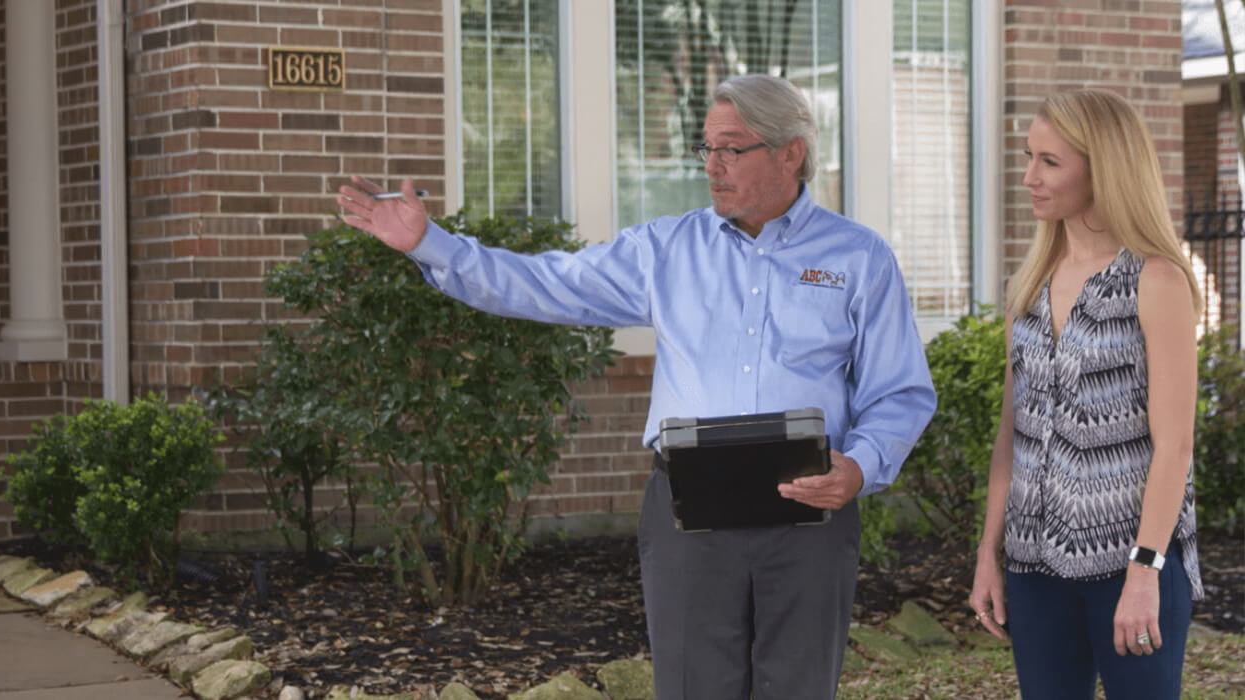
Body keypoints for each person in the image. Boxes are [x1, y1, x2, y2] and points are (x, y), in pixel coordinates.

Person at [338, 74, 936, 700]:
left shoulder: (858, 257)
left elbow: (900, 391)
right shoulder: (667, 250)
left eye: (731, 149)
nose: (713, 167)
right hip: (690, 508)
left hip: (811, 509)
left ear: (790, 152)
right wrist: (432, 245)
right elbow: (548, 282)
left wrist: (860, 468)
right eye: (705, 149)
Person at [968, 88, 1205, 700]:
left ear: (1104, 168)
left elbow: (1174, 444)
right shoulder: (1030, 285)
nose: (1029, 177)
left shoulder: (1156, 279)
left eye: (1050, 162)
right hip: (1033, 566)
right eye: (1030, 157)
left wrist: (1145, 570)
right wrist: (989, 554)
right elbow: (1010, 435)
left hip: (1130, 564)